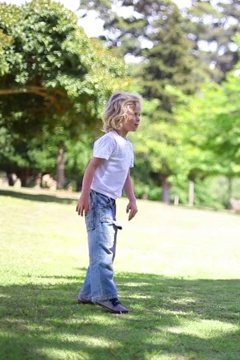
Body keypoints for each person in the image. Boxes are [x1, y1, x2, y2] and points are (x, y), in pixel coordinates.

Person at [76, 92, 142, 314]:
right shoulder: (109, 141)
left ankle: (87, 294)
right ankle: (106, 297)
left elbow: (125, 175)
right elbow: (91, 167)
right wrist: (84, 196)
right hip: (97, 200)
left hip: (110, 202)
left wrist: (132, 199)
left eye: (139, 114)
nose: (138, 118)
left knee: (104, 251)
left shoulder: (127, 145)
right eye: (134, 114)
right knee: (103, 250)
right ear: (120, 115)